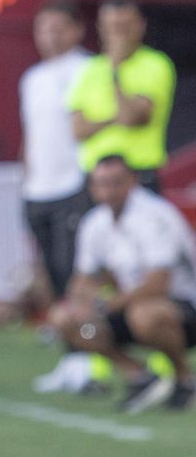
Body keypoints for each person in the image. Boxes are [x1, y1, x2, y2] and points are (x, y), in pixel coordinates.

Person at [47, 156, 196, 413]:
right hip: (124, 311)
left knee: (145, 315)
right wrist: (83, 302)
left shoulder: (155, 216)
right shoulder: (94, 222)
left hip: (180, 312)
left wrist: (106, 305)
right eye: (101, 184)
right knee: (67, 319)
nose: (109, 191)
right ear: (92, 187)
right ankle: (139, 375)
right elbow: (84, 277)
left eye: (116, 182)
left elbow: (158, 285)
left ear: (133, 182)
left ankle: (184, 377)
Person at [21, 3, 91, 307]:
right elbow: (31, 132)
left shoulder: (89, 69)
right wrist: (26, 173)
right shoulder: (32, 78)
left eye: (58, 28)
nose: (50, 36)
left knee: (72, 265)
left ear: (77, 30)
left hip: (74, 182)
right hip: (37, 187)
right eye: (43, 29)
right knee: (50, 267)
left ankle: (84, 326)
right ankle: (66, 325)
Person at [68, 0, 175, 192]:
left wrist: (116, 70)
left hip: (138, 173)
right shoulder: (88, 69)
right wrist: (113, 120)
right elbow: (78, 130)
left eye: (124, 27)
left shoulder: (155, 64)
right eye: (113, 27)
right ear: (100, 28)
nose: (118, 34)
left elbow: (131, 117)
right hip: (96, 176)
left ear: (141, 25)